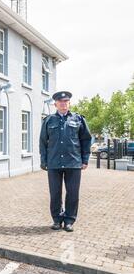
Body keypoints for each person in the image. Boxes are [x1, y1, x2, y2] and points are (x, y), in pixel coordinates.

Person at [40, 91, 92, 233]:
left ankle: (69, 220)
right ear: (55, 104)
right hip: (54, 163)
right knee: (55, 193)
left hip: (74, 163)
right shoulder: (49, 120)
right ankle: (57, 220)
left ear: (69, 103)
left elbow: (86, 140)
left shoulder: (79, 119)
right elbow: (43, 142)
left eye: (66, 102)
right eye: (60, 102)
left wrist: (85, 159)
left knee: (73, 194)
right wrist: (43, 160)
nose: (63, 104)